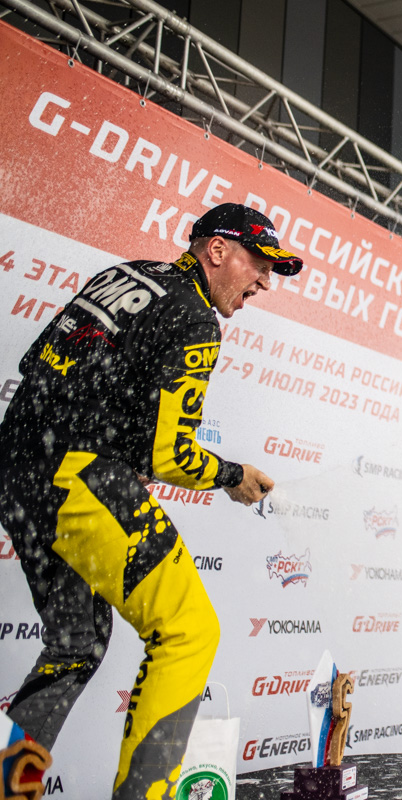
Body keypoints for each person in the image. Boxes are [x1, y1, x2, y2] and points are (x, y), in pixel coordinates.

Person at [0, 203, 300, 798]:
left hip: (17, 472)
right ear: (217, 250)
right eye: (260, 263)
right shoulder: (195, 318)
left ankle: (11, 788)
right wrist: (232, 476)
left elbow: (41, 364)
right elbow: (171, 455)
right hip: (77, 474)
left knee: (75, 646)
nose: (266, 282)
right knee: (190, 632)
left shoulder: (127, 274)